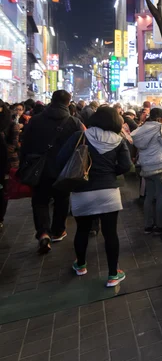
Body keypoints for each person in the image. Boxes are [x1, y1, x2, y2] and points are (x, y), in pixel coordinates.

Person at [57, 107, 132, 287]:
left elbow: (61, 159)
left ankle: (81, 265)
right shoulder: (118, 140)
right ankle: (113, 274)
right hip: (108, 192)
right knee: (110, 233)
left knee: (82, 230)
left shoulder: (80, 136)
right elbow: (126, 165)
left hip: (82, 190)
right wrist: (110, 173)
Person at [20, 90, 83, 253]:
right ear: (68, 103)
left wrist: (24, 164)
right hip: (64, 169)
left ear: (52, 100)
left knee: (40, 201)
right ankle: (57, 231)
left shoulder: (36, 120)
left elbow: (25, 144)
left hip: (39, 170)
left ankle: (43, 233)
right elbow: (82, 147)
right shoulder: (74, 122)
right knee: (62, 200)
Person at [131, 108, 162, 235]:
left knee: (149, 197)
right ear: (160, 119)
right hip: (160, 167)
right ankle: (160, 226)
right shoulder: (159, 129)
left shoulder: (141, 129)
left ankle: (148, 226)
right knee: (161, 198)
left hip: (146, 168)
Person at [0, 102, 20, 229]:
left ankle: (0, 217)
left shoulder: (11, 125)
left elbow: (14, 145)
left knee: (3, 190)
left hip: (6, 162)